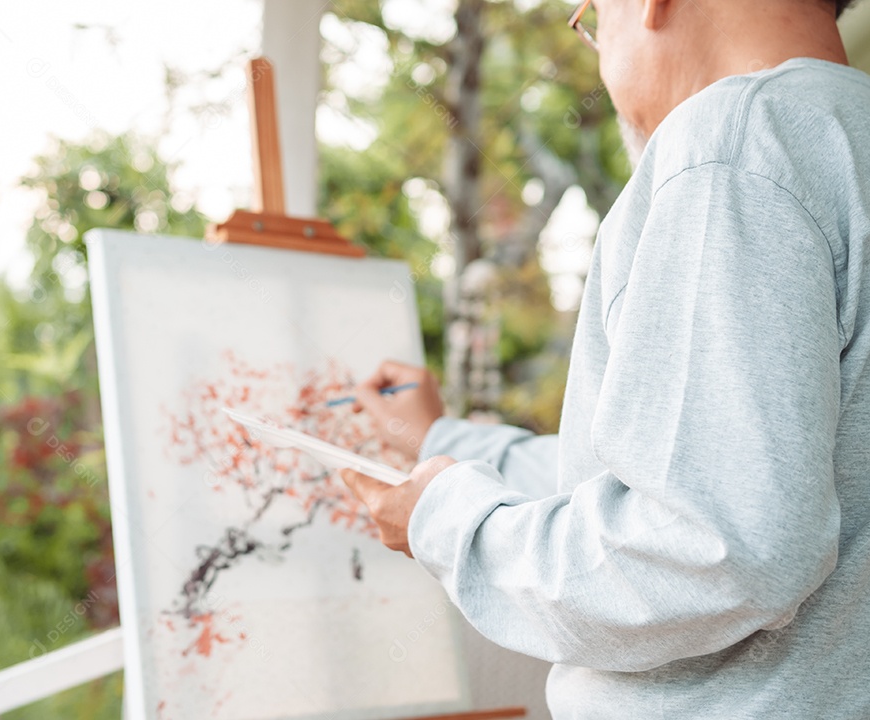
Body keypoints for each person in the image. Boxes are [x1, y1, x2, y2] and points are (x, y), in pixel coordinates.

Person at [339, 0, 870, 717]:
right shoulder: (840, 134)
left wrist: (451, 526)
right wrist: (442, 442)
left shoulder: (729, 146)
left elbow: (714, 544)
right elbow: (701, 467)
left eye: (589, 16)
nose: (594, 44)